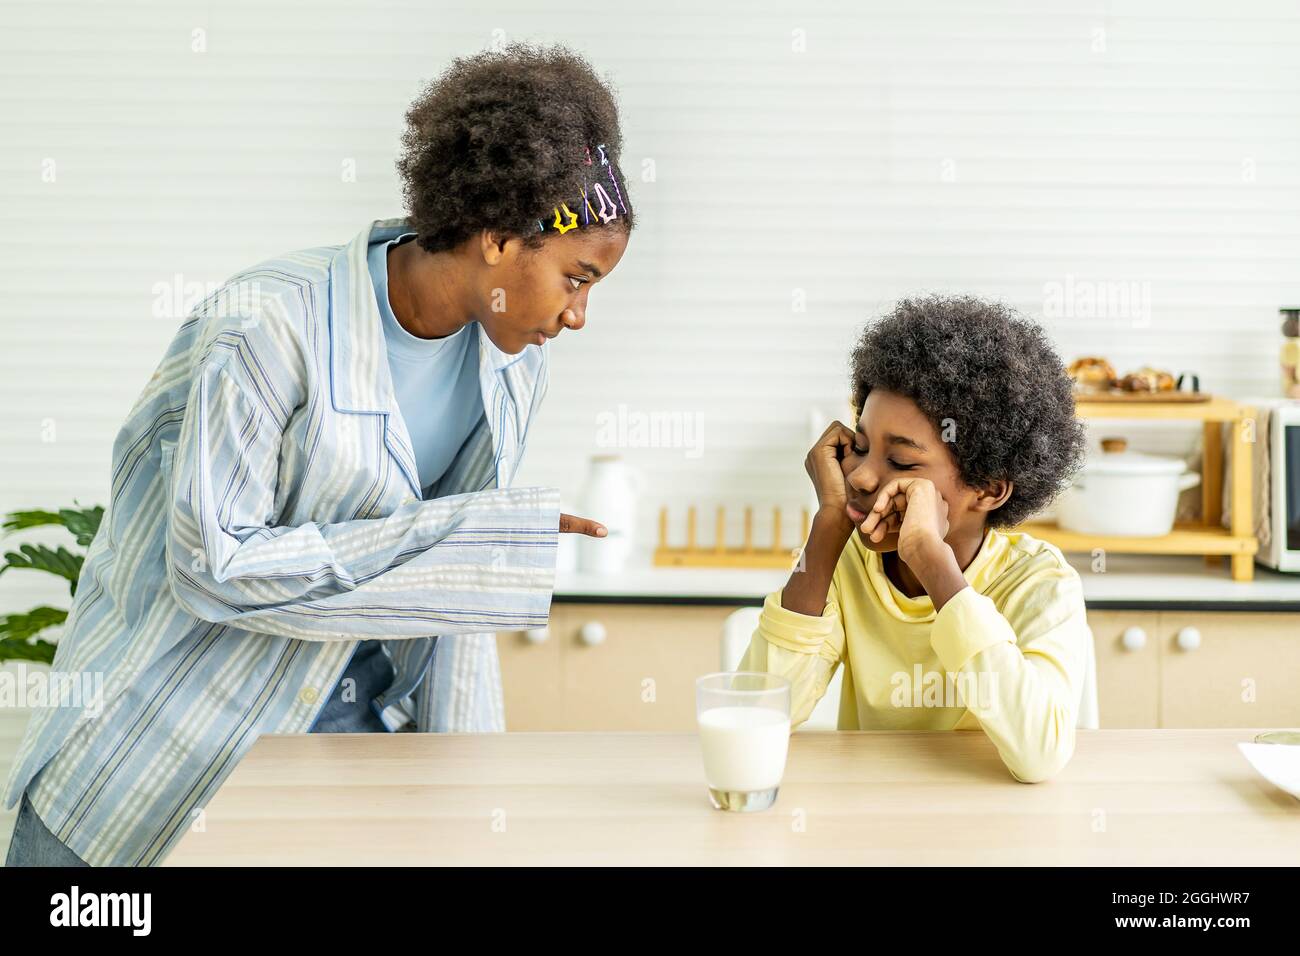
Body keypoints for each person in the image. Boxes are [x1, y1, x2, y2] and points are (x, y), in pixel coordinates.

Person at [5, 42, 632, 866]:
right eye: (576, 278)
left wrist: (475, 792)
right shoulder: (268, 325)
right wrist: (470, 539)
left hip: (336, 752)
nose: (579, 315)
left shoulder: (513, 366)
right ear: (497, 238)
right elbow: (213, 568)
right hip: (155, 752)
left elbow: (448, 610)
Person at [739, 295, 1091, 783]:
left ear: (988, 489)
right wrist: (829, 527)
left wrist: (933, 562)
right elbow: (756, 716)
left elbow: (1039, 755)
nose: (861, 476)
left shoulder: (1040, 583)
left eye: (901, 462)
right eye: (859, 447)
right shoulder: (845, 564)